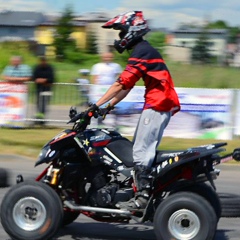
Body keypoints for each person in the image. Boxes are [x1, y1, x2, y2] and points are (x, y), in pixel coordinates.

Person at [85, 11, 181, 211]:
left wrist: (95, 105)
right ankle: (139, 189)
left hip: (158, 103)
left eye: (121, 32)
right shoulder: (143, 50)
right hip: (157, 103)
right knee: (140, 147)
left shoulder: (142, 51)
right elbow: (127, 86)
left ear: (132, 30)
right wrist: (108, 107)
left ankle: (142, 197)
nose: (119, 37)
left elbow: (120, 84)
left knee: (140, 151)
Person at [32, 56, 55, 122]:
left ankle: (41, 118)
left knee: (44, 104)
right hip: (38, 89)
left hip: (47, 89)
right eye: (41, 61)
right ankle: (39, 117)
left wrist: (44, 80)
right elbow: (34, 77)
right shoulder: (37, 68)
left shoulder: (50, 68)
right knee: (38, 103)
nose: (43, 62)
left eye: (44, 61)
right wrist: (37, 80)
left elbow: (52, 79)